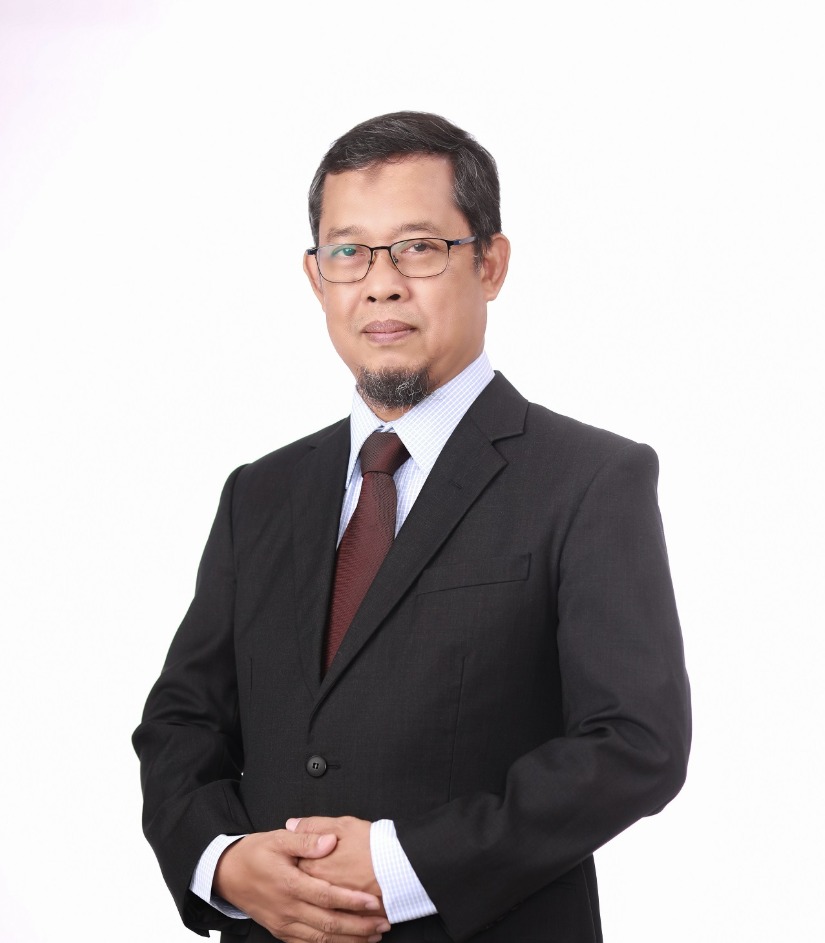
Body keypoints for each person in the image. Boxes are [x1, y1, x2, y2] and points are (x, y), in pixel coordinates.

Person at [133, 111, 691, 943]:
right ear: (316, 276)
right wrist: (221, 859)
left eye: (418, 247)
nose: (380, 284)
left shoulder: (587, 478)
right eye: (348, 252)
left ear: (489, 263)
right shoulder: (260, 492)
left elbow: (634, 743)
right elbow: (183, 720)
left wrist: (405, 863)